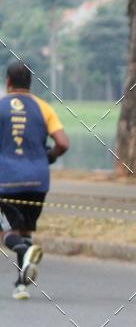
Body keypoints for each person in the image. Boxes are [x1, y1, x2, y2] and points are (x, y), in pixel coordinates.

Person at [0, 60, 69, 299]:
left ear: (8, 81)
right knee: (25, 229)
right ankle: (21, 285)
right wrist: (47, 157)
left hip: (7, 180)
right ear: (30, 83)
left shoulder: (1, 105)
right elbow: (62, 143)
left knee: (7, 232)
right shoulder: (43, 108)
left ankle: (25, 249)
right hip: (38, 181)